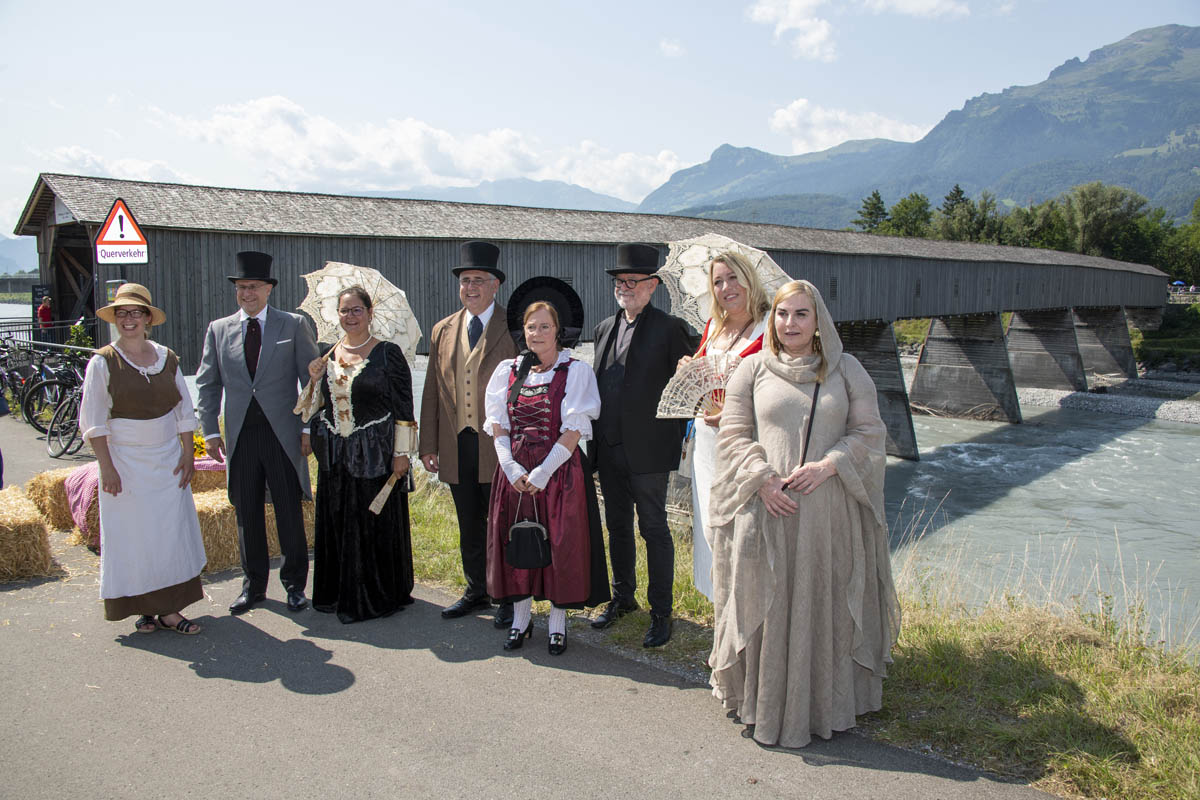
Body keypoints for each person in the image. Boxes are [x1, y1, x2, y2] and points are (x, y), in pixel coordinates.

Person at [707, 279, 900, 748]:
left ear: (818, 323)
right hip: (765, 509)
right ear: (771, 319)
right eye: (781, 314)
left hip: (825, 514)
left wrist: (830, 465)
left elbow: (870, 433)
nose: (789, 323)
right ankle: (765, 704)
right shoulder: (749, 370)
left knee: (822, 600)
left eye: (800, 314)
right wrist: (764, 477)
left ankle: (823, 706)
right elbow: (732, 435)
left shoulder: (847, 370)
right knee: (766, 601)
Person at [483, 279, 608, 655]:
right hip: (515, 471)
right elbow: (499, 424)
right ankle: (521, 621)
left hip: (560, 472)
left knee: (559, 544)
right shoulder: (508, 370)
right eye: (531, 326)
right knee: (517, 542)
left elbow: (573, 430)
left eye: (545, 326)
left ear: (558, 332)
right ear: (523, 331)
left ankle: (557, 624)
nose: (537, 333)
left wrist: (542, 472)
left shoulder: (575, 371)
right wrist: (509, 465)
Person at [196, 251, 320, 615]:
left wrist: (308, 427)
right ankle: (254, 587)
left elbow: (309, 383)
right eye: (241, 287)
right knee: (246, 512)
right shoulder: (219, 330)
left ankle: (295, 585)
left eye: (253, 286)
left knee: (288, 511)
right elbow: (207, 384)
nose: (246, 293)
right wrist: (210, 433)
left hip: (282, 434)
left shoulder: (292, 325)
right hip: (241, 437)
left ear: (268, 289)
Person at [79, 283, 206, 635]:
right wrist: (107, 467)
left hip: (167, 461)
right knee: (134, 538)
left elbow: (183, 409)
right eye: (122, 313)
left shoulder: (167, 358)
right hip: (125, 464)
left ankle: (169, 609)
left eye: (136, 312)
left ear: (148, 319)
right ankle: (144, 609)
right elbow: (93, 421)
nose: (129, 319)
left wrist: (187, 455)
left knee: (168, 534)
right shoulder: (103, 362)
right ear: (115, 319)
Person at [591, 243, 699, 647]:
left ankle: (661, 612)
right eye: (620, 282)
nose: (625, 288)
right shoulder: (604, 328)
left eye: (633, 282)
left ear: (653, 286)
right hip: (610, 447)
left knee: (653, 529)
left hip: (650, 452)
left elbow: (691, 381)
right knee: (616, 527)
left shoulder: (669, 328)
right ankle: (623, 599)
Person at [420, 241, 519, 628]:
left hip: (498, 443)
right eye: (465, 280)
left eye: (479, 280)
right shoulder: (442, 329)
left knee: (502, 522)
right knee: (468, 522)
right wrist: (427, 443)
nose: (471, 287)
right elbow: (431, 389)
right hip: (455, 439)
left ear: (496, 285)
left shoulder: (512, 327)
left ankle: (508, 595)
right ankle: (476, 587)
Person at [304, 286, 416, 623]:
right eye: (344, 310)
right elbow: (310, 407)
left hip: (375, 455)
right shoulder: (326, 354)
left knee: (370, 524)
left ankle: (376, 595)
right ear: (336, 314)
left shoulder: (387, 354)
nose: (350, 316)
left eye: (356, 310)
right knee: (338, 522)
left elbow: (404, 408)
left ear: (370, 313)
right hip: (336, 455)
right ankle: (339, 592)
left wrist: (402, 455)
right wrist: (312, 381)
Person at [675, 251, 771, 600]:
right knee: (711, 531)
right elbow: (702, 379)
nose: (726, 287)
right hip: (707, 446)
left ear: (749, 279)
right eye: (717, 281)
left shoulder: (769, 326)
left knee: (744, 533)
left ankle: (749, 620)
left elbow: (781, 390)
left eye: (733, 277)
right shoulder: (713, 326)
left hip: (746, 444)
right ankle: (723, 626)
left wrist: (735, 410)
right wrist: (688, 366)